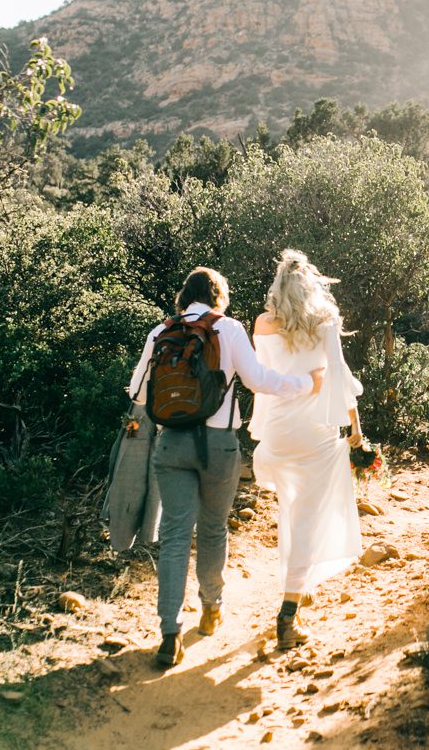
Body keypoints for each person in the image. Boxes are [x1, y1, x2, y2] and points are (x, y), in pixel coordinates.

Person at [127, 265, 324, 669]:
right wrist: (307, 384)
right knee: (213, 528)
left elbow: (137, 392)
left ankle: (169, 633)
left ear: (185, 296)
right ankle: (211, 607)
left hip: (171, 444)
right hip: (218, 445)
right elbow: (258, 381)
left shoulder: (160, 332)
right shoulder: (228, 328)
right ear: (219, 295)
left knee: (175, 535)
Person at [250, 249, 365, 649]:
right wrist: (355, 426)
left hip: (277, 433)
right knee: (305, 523)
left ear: (278, 289)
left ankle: (298, 582)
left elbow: (265, 374)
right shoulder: (325, 322)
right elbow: (338, 373)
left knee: (291, 511)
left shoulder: (263, 324)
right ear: (311, 286)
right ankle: (288, 613)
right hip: (314, 434)